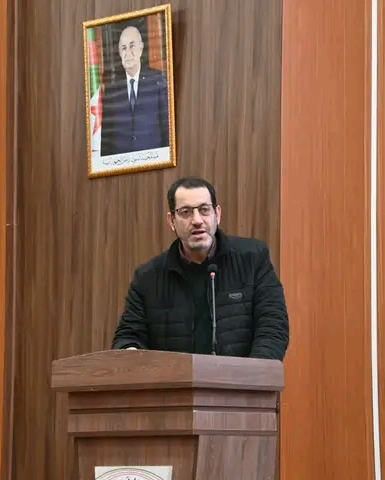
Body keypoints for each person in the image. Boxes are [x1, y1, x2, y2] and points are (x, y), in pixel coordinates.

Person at [111, 176, 289, 360]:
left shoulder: (252, 258)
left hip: (241, 377)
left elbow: (273, 325)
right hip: (175, 378)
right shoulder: (148, 278)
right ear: (172, 220)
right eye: (186, 212)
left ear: (217, 215)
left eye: (204, 210)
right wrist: (130, 353)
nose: (197, 220)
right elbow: (129, 336)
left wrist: (252, 373)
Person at [100, 25, 169, 157]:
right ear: (120, 52)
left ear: (141, 48)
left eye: (132, 46)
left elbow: (167, 128)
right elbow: (106, 137)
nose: (128, 53)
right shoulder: (112, 89)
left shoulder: (157, 80)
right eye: (123, 48)